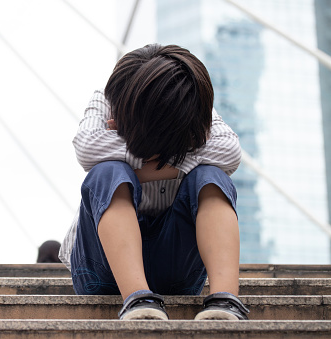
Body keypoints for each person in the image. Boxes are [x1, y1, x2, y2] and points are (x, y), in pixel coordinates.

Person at [59, 44, 249, 321]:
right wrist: (176, 154)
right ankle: (137, 299)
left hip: (175, 268)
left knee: (211, 178)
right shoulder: (108, 97)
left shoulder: (189, 101)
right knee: (107, 173)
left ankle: (225, 302)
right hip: (102, 270)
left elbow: (230, 151)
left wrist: (141, 162)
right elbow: (87, 148)